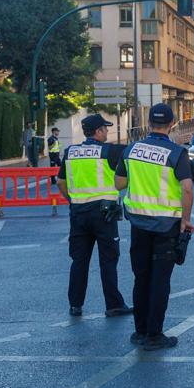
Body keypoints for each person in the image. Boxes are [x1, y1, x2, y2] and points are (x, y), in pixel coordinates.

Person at [115, 103, 194, 351]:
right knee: (160, 281)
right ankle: (154, 335)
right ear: (172, 124)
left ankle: (139, 332)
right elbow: (187, 188)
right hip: (165, 226)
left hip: (138, 223)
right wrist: (185, 220)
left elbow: (119, 183)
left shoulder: (131, 149)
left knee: (141, 277)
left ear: (149, 124)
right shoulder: (176, 153)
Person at [56, 114, 132, 319]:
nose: (107, 132)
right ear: (98, 131)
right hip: (104, 214)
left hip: (78, 213)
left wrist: (71, 199)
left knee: (79, 260)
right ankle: (114, 305)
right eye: (105, 129)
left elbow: (61, 182)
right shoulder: (109, 151)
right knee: (108, 261)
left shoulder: (70, 152)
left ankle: (75, 305)